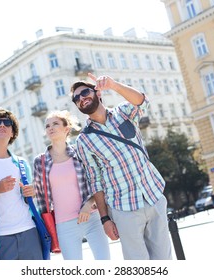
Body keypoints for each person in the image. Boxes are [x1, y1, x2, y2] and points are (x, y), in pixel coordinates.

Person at [71, 73, 173, 260]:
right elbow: (95, 181)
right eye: (76, 98)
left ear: (98, 93)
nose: (81, 98)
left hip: (153, 195)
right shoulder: (84, 140)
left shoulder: (123, 113)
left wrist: (114, 85)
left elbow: (143, 101)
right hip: (123, 207)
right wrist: (105, 219)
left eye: (84, 92)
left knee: (164, 260)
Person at [32, 110, 110, 260]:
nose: (50, 128)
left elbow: (96, 182)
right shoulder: (39, 161)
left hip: (91, 218)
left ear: (67, 128)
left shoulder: (80, 153)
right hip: (64, 224)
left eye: (55, 124)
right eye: (47, 126)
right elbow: (41, 197)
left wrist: (90, 204)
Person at [0, 108, 43, 260]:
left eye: (7, 123)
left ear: (13, 133)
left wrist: (31, 192)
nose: (2, 125)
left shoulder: (21, 163)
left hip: (29, 230)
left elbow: (28, 198)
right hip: (1, 237)